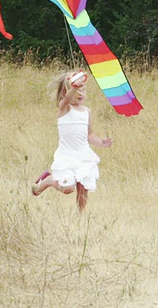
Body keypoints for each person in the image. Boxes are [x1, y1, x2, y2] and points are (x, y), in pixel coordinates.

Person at [32, 70, 113, 212]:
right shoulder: (64, 108)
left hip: (83, 154)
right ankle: (49, 180)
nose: (81, 93)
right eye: (77, 90)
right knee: (68, 188)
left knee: (83, 188)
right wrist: (74, 87)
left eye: (83, 90)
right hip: (67, 155)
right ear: (66, 93)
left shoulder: (87, 112)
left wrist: (101, 142)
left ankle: (80, 216)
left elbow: (89, 134)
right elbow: (66, 101)